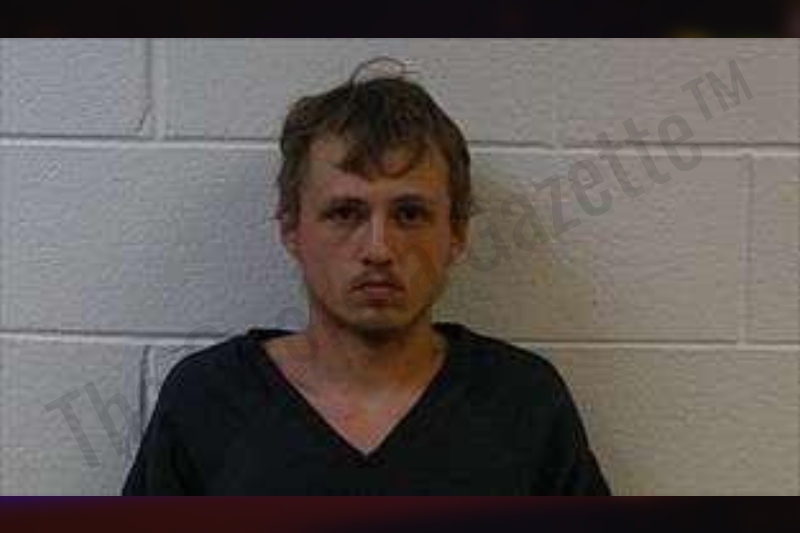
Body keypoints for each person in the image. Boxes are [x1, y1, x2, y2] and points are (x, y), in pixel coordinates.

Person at [121, 58, 610, 495]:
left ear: (456, 232)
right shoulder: (208, 400)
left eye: (410, 214)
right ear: (291, 227)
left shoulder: (522, 403)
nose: (378, 249)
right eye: (345, 213)